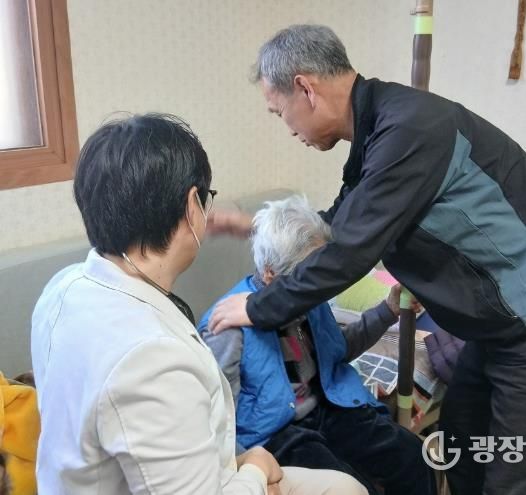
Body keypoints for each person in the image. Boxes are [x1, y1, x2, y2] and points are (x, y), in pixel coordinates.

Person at [207, 25, 526, 495]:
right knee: (462, 441)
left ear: (305, 88)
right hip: (500, 332)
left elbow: (349, 252)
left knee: (524, 481)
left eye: (279, 112)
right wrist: (255, 226)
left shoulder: (411, 130)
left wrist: (257, 307)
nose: (288, 129)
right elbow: (341, 225)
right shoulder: (379, 132)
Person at [30, 114, 367, 495]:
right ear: (194, 205)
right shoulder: (151, 359)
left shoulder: (63, 288)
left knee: (345, 487)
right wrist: (255, 470)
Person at [199, 196, 435, 495]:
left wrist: (387, 310)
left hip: (329, 405)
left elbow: (337, 351)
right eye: (308, 276)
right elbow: (219, 415)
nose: (317, 285)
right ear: (271, 273)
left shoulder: (310, 296)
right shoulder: (227, 326)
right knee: (355, 488)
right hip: (276, 432)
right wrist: (246, 472)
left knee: (412, 456)